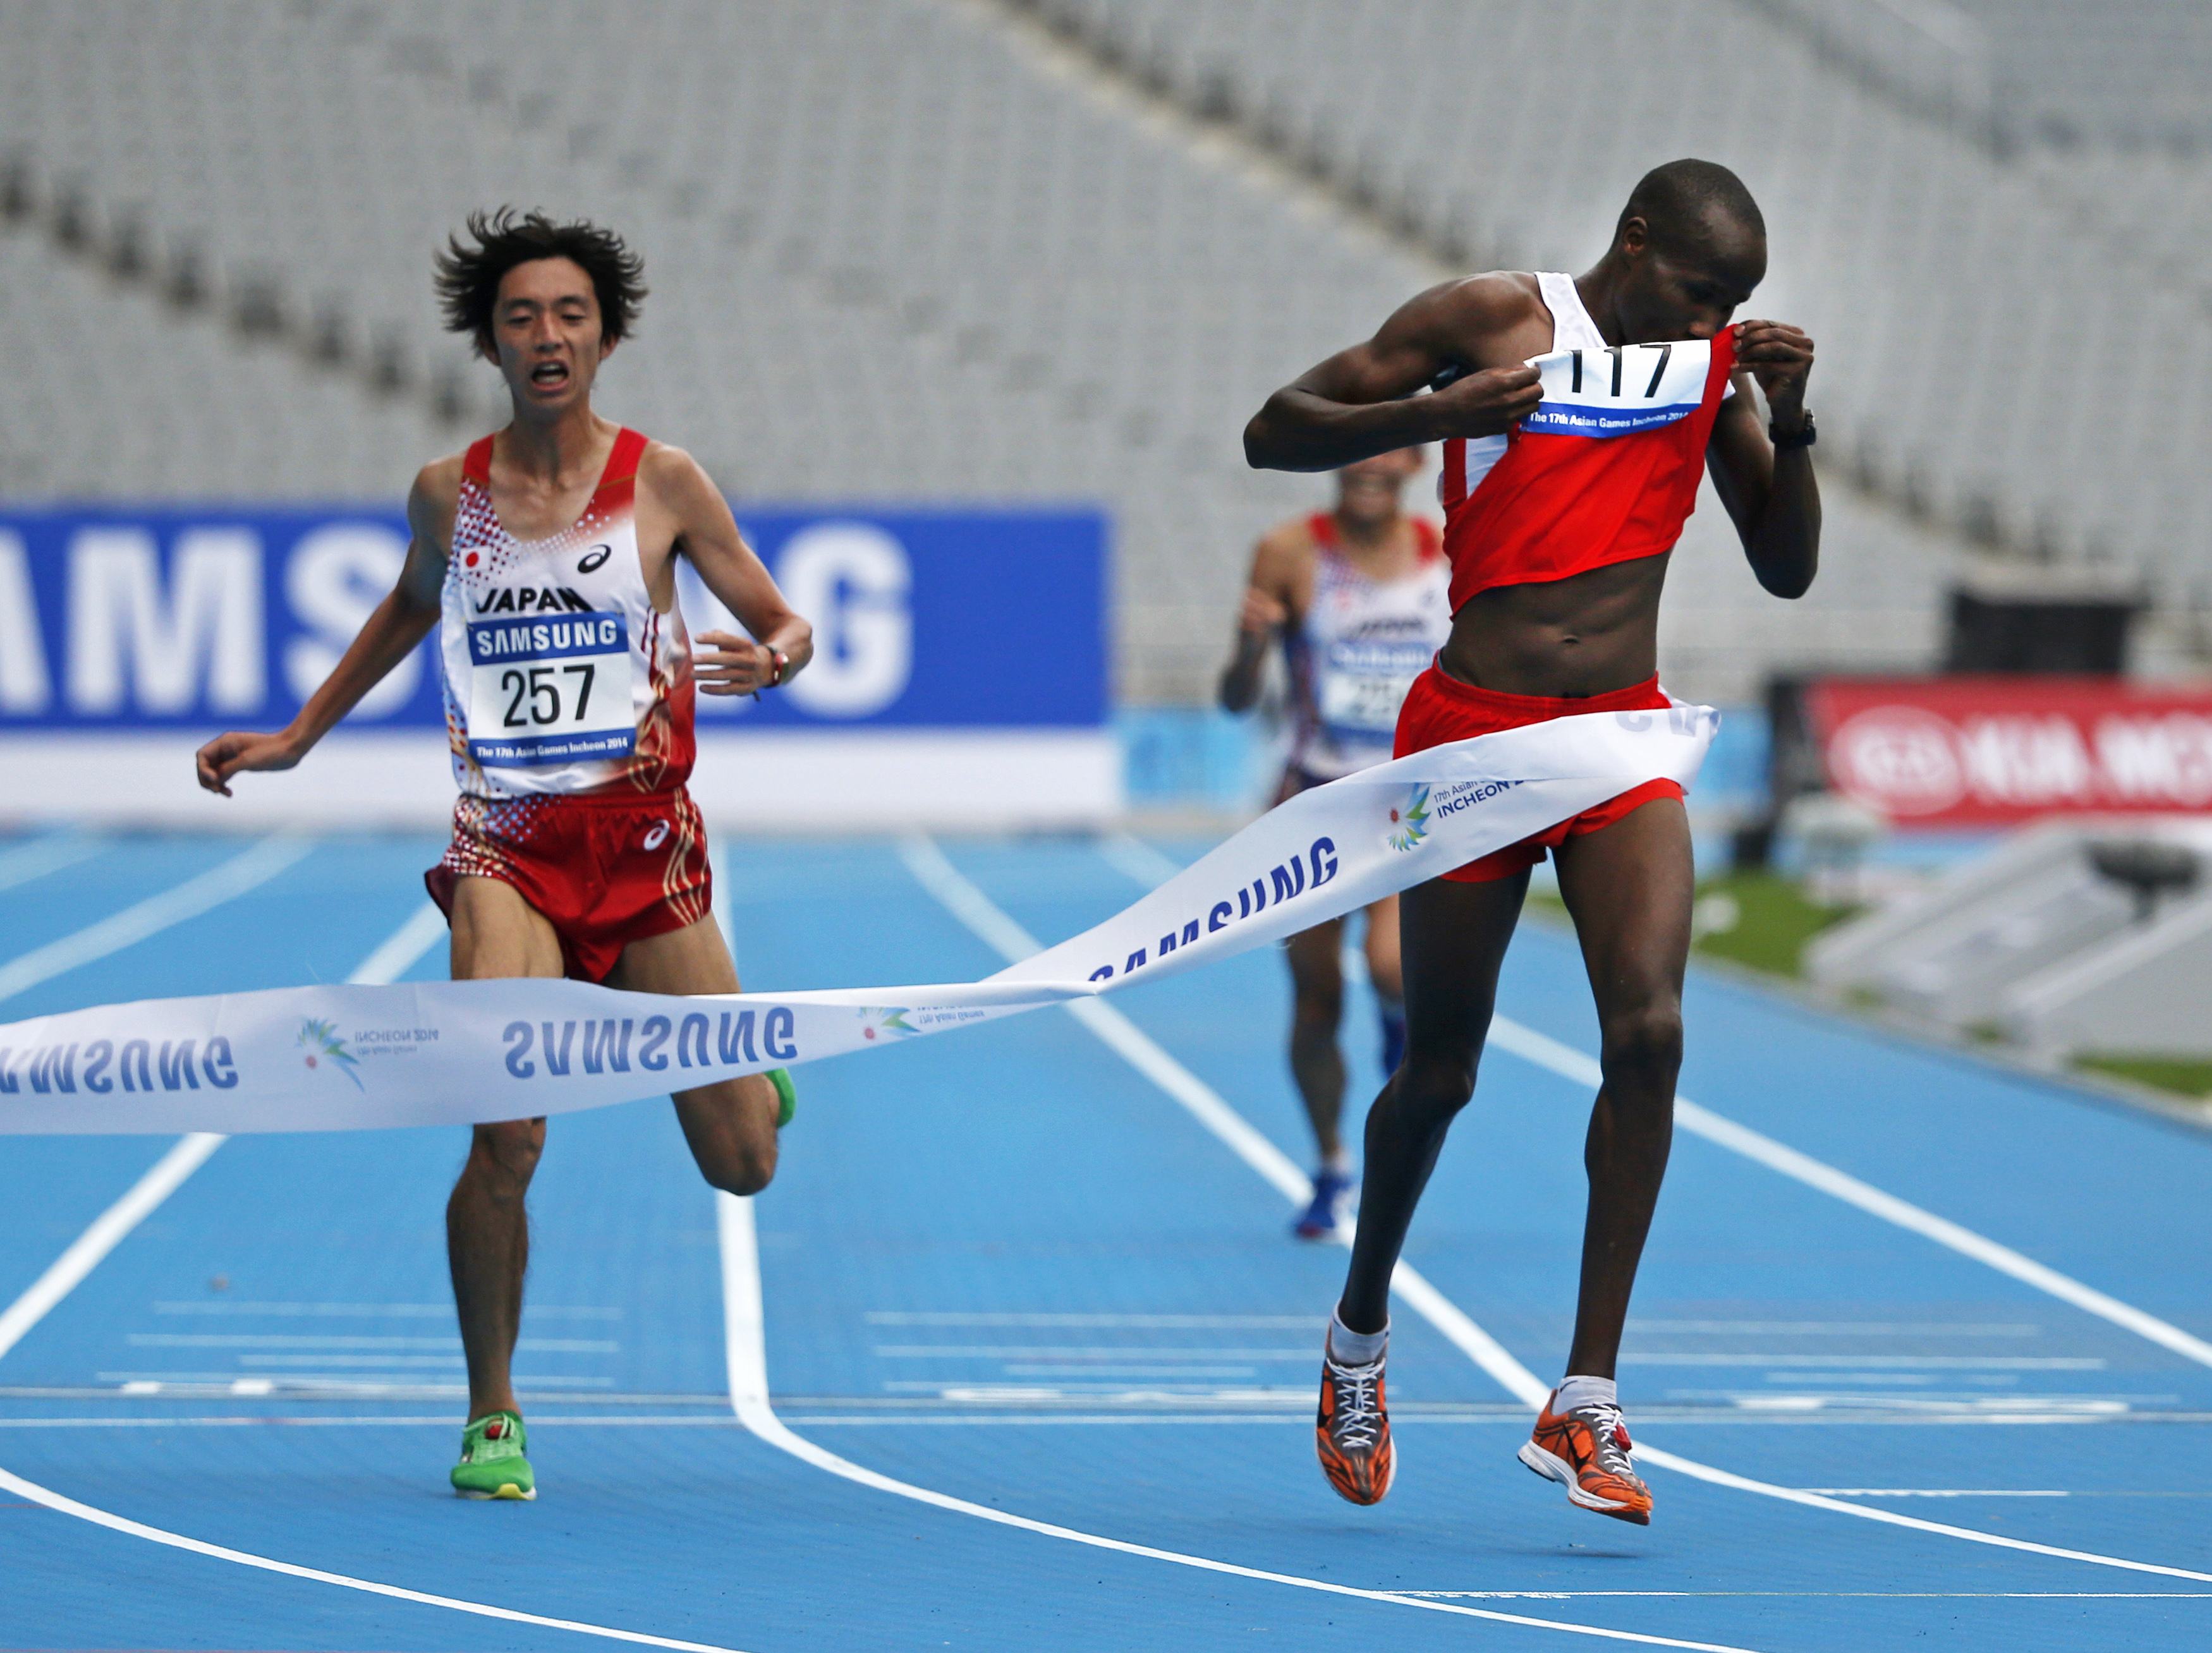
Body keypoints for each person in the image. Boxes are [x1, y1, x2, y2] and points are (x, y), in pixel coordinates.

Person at [194, 209, 814, 1503]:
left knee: (743, 1164)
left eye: (571, 315)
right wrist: (299, 739)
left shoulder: (665, 482)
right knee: (507, 1134)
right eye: (523, 315)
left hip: (645, 858)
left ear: (605, 337)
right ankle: (492, 1413)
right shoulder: (448, 492)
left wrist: (777, 658)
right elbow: (413, 606)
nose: (548, 335)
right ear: (491, 340)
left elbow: (779, 618)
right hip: (506, 858)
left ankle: (743, 1058)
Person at [1244, 159, 1818, 1525]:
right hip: (1472, 733)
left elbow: (1785, 565)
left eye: (1733, 304)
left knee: (1652, 1030)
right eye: (1697, 292)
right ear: (1631, 244)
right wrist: (1432, 413)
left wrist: (1787, 424)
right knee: (1439, 1067)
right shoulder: (1493, 321)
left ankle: (1586, 1400)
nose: (1710, 321)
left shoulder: (1703, 374)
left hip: (1616, 738)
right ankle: (1359, 1336)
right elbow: (1274, 430)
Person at [1218, 450, 1450, 1238]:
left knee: (1391, 967)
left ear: (1416, 460)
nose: (1370, 467)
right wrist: (1252, 647)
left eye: (1388, 453)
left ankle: (1397, 1021)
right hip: (1313, 802)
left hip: (1406, 803)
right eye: (1356, 451)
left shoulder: (1446, 555)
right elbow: (1234, 698)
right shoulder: (1287, 551)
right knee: (1316, 1001)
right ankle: (1329, 1165)